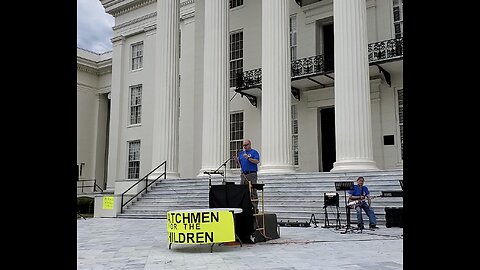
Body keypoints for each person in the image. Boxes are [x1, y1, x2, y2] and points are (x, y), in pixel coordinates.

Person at [233, 139, 260, 212]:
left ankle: (255, 207)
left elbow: (257, 161)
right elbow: (239, 165)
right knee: (242, 190)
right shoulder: (241, 153)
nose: (244, 147)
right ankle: (244, 206)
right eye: (243, 145)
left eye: (246, 145)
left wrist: (248, 158)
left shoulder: (254, 152)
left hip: (251, 173)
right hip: (243, 174)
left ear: (250, 144)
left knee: (253, 190)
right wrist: (236, 160)